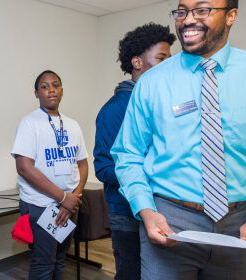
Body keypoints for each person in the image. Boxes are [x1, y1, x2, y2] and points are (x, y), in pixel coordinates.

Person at [111, 0, 246, 279]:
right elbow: (128, 154)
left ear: (231, 16)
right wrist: (145, 210)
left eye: (202, 10)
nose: (188, 19)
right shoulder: (152, 82)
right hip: (168, 220)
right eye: (182, 11)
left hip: (238, 224)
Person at [94, 22, 175, 280]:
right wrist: (144, 175)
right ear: (137, 62)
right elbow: (104, 167)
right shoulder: (114, 109)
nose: (169, 66)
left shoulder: (162, 102)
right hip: (126, 213)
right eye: (161, 58)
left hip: (160, 209)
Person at [12, 70, 88, 280]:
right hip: (42, 205)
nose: (51, 90)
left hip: (71, 205)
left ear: (62, 90)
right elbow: (24, 167)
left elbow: (82, 163)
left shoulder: (73, 124)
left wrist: (74, 197)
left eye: (55, 85)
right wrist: (63, 198)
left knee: (61, 257)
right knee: (44, 262)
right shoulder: (29, 123)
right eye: (44, 86)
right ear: (36, 93)